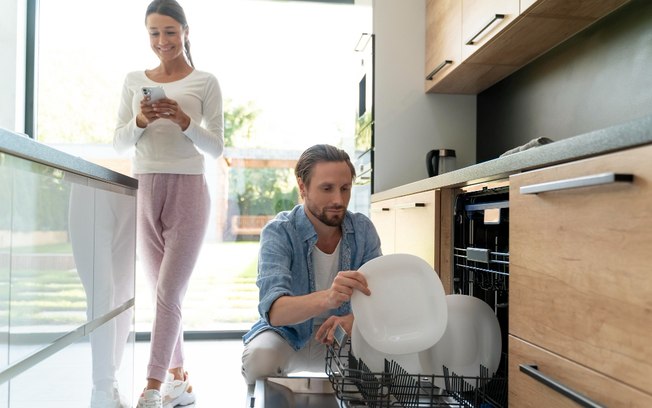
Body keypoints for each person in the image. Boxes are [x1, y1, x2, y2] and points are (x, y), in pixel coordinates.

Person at [113, 0, 224, 406]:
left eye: (170, 32)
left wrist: (184, 122)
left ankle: (153, 386)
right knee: (161, 291)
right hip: (144, 187)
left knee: (168, 292)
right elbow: (118, 141)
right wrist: (140, 121)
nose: (162, 41)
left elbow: (216, 147)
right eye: (154, 33)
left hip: (190, 191)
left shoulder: (206, 82)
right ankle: (179, 379)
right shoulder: (132, 80)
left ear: (186, 32)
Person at [241, 144, 382, 386]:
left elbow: (378, 296)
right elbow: (275, 312)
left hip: (341, 337)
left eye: (345, 188)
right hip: (287, 335)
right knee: (259, 360)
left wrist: (353, 320)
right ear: (302, 187)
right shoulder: (279, 232)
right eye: (327, 188)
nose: (338, 199)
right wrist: (329, 297)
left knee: (386, 360)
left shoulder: (363, 230)